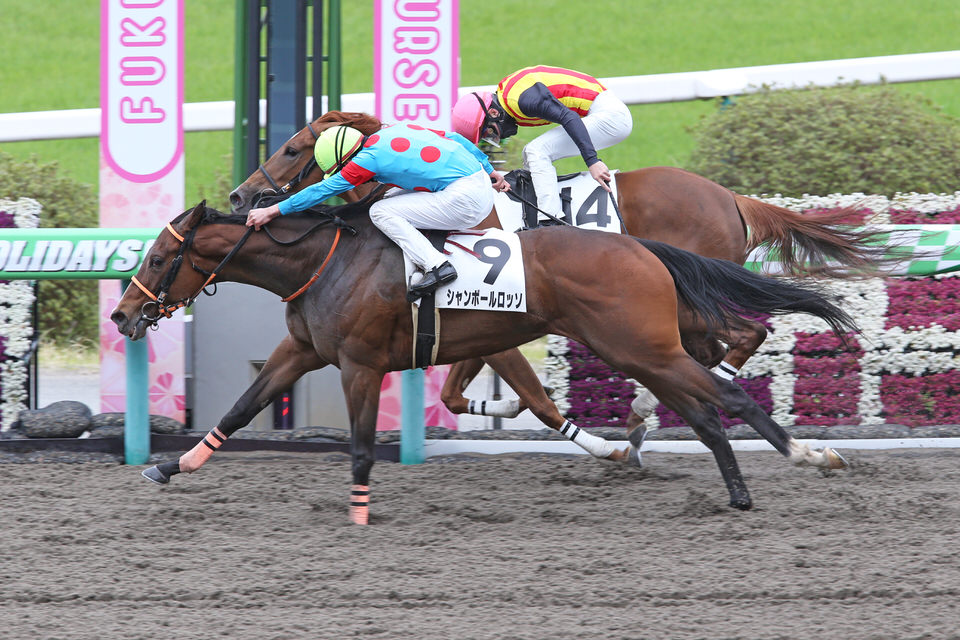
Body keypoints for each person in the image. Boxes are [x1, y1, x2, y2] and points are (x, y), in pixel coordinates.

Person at [247, 123, 509, 301]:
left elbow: (321, 191)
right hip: (476, 181)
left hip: (466, 200)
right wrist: (489, 169)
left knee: (380, 212)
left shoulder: (365, 160)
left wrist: (273, 210)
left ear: (346, 159)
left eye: (341, 170)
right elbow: (454, 138)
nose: (348, 176)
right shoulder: (391, 130)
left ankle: (438, 266)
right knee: (389, 197)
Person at [450, 65, 633, 219]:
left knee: (537, 151)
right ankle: (535, 211)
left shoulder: (523, 100)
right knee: (529, 154)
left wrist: (592, 161)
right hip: (600, 109)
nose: (496, 138)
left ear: (494, 113)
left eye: (489, 132)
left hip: (611, 117)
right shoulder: (507, 98)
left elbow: (569, 118)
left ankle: (550, 220)